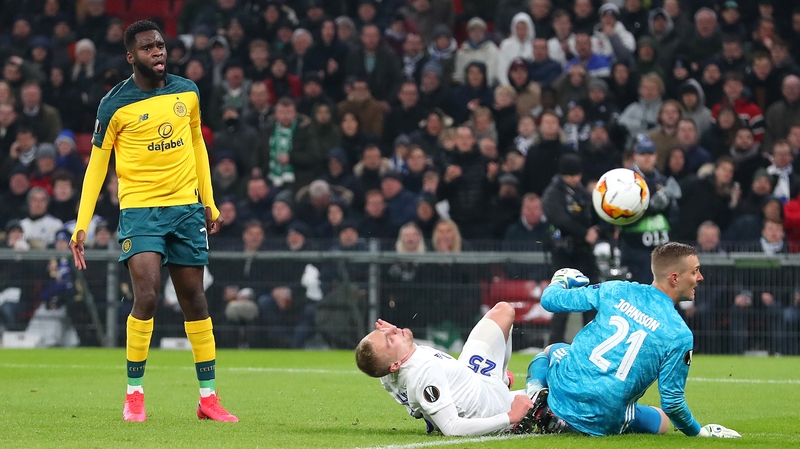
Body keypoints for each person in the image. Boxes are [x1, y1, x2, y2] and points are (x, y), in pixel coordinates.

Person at [68, 21, 237, 423]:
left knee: (195, 299)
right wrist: (81, 224)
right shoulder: (113, 104)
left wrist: (209, 201)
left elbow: (197, 145)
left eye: (160, 45)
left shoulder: (187, 91)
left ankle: (208, 399)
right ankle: (134, 395)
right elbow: (96, 167)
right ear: (131, 56)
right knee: (146, 296)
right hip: (140, 211)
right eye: (147, 47)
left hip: (186, 209)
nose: (158, 51)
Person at [524, 243, 741, 438]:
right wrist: (700, 433)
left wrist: (560, 280)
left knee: (552, 350)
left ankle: (534, 396)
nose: (700, 277)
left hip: (567, 391)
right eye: (695, 271)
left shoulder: (616, 289)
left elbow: (550, 301)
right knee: (663, 421)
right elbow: (672, 403)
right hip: (606, 416)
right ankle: (555, 411)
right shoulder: (680, 334)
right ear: (675, 278)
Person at [355, 302, 534, 436]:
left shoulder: (387, 371)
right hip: (490, 405)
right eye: (389, 339)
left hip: (473, 377)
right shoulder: (423, 371)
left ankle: (501, 380)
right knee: (545, 372)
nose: (393, 329)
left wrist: (389, 339)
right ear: (395, 365)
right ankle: (506, 395)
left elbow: (380, 361)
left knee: (503, 311)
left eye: (385, 331)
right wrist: (510, 416)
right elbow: (452, 427)